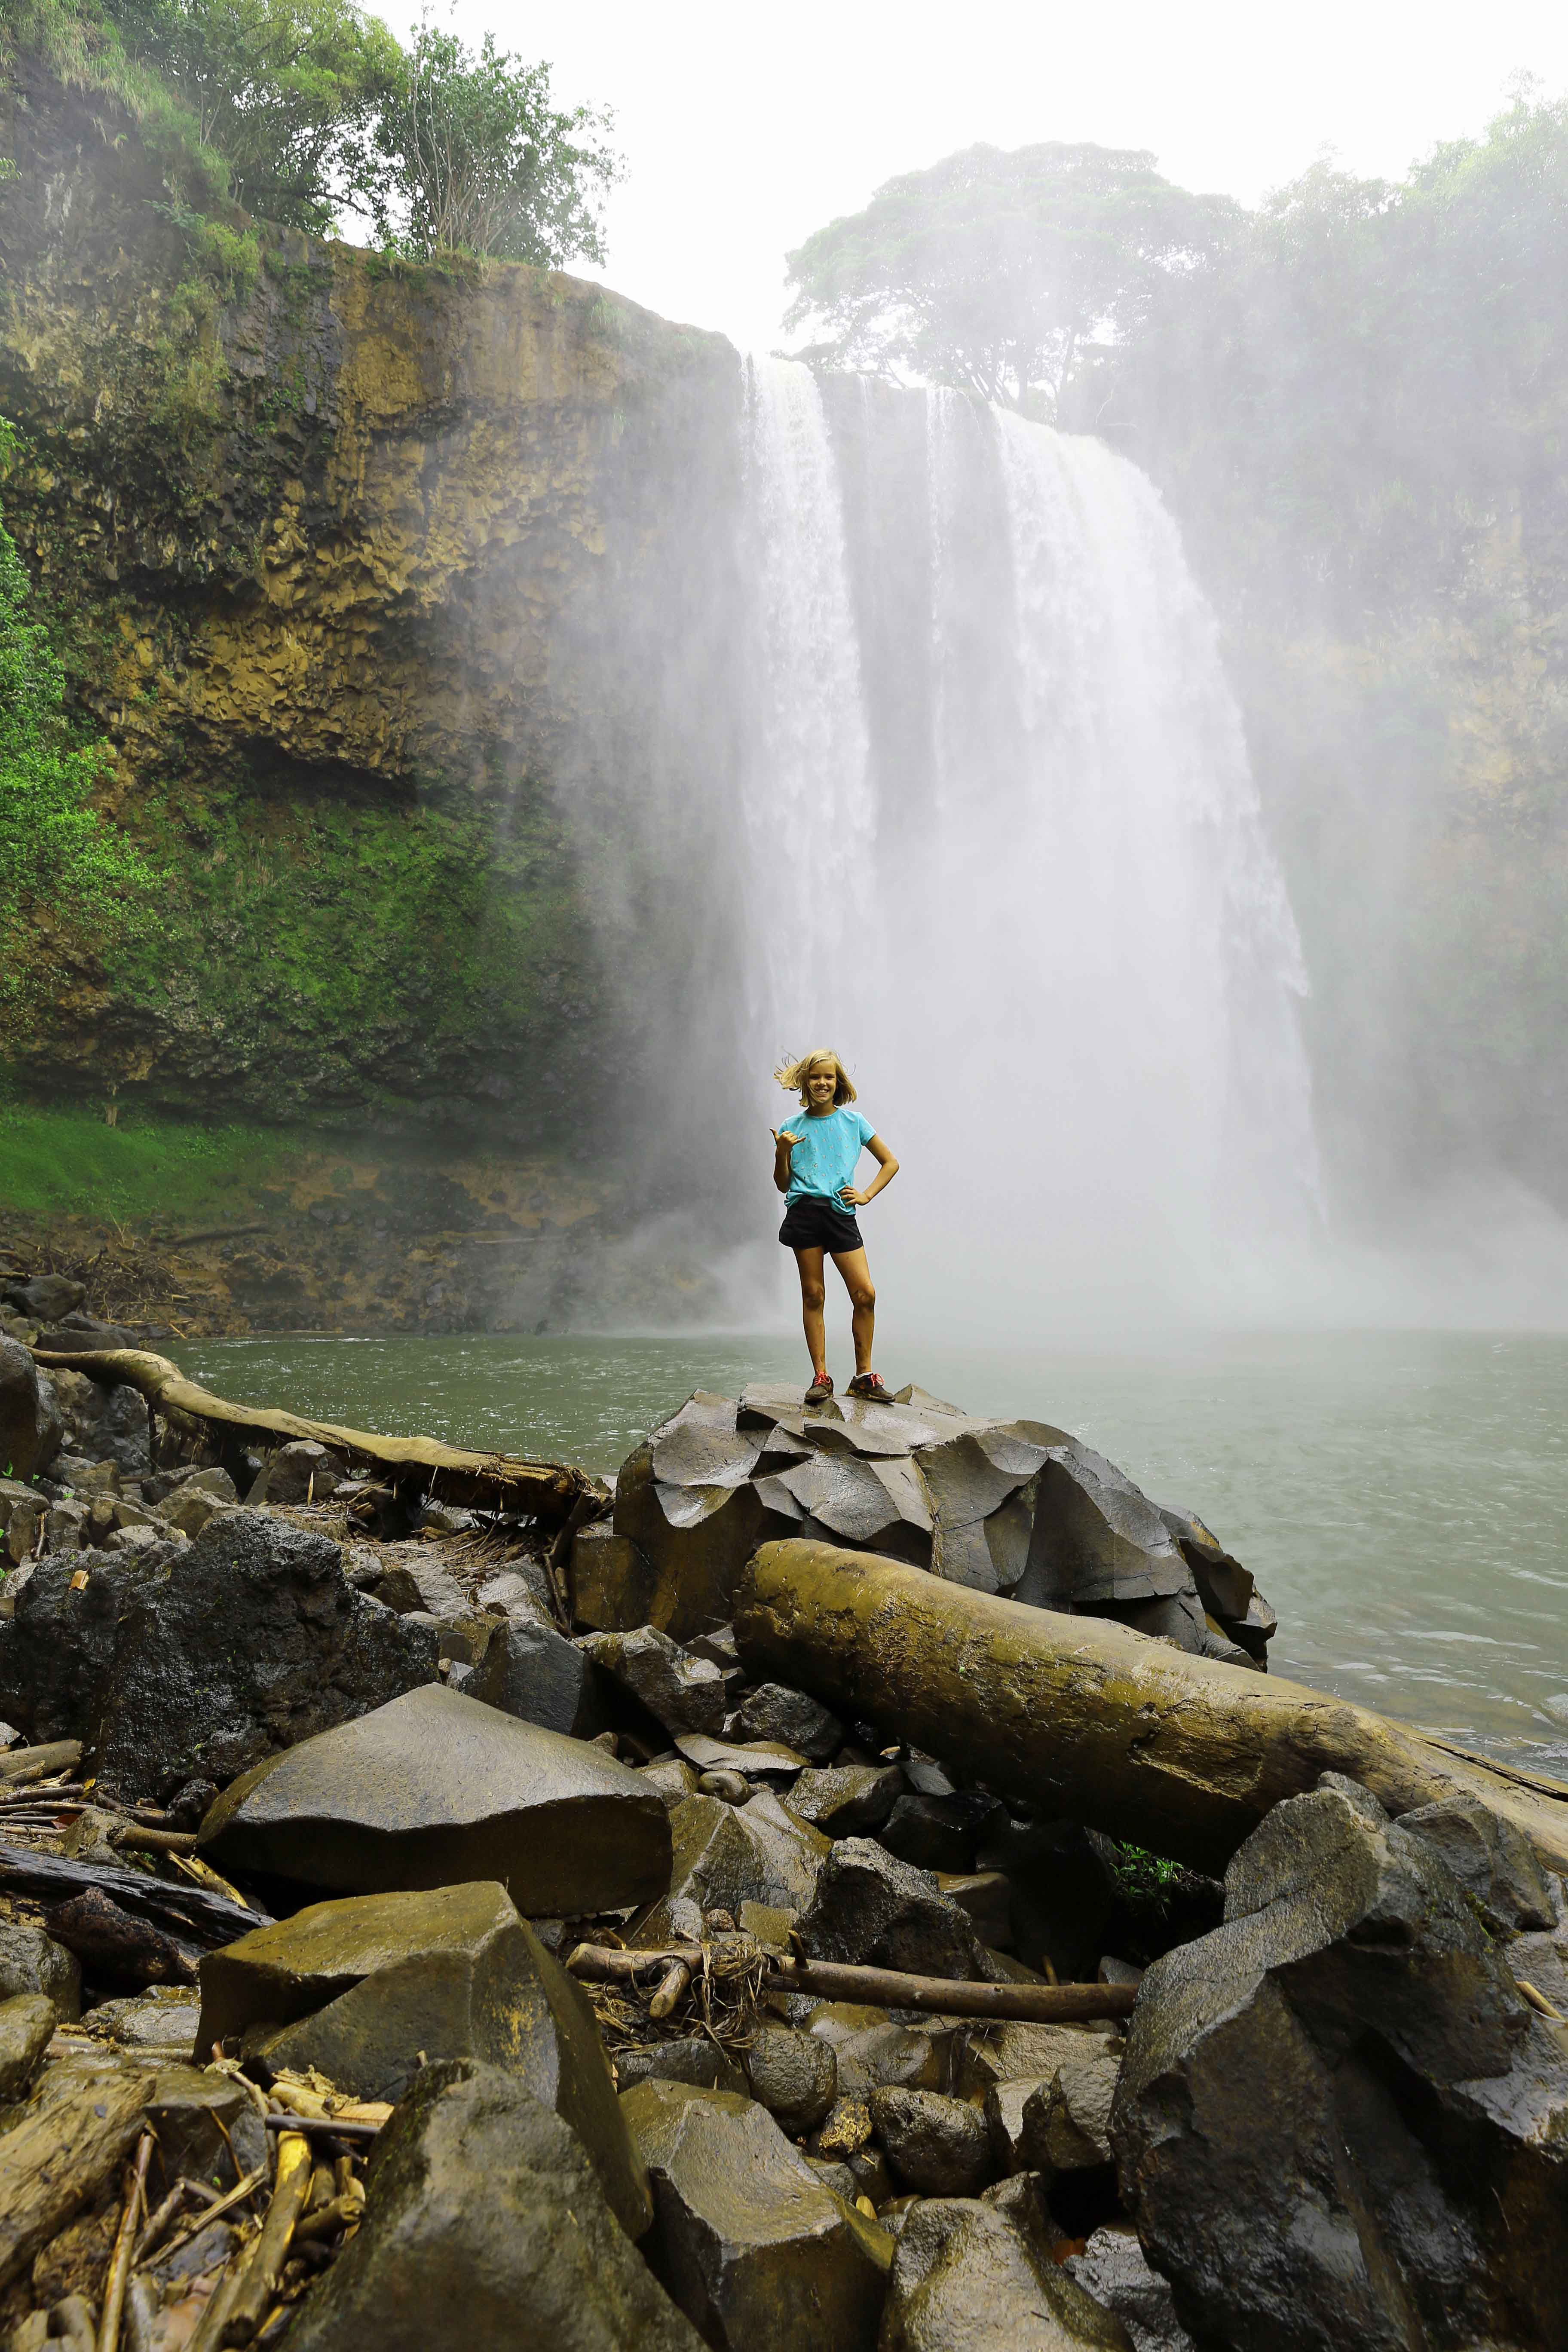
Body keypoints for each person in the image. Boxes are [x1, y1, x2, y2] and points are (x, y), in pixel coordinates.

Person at [771, 1049, 899, 1406]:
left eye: (829, 1077)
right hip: (805, 1213)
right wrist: (781, 1152)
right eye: (815, 1077)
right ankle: (821, 1377)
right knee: (814, 1295)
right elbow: (783, 1184)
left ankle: (863, 1377)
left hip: (841, 1212)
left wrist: (867, 1195)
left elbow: (890, 1162)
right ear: (805, 1082)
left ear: (838, 1082)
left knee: (865, 1294)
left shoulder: (854, 1122)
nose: (822, 1083)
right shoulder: (790, 1128)